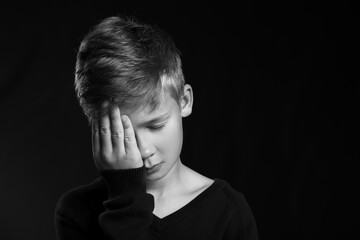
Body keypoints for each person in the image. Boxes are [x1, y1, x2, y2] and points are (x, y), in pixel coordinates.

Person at [55, 15, 258, 240]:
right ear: (99, 128)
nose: (143, 151)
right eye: (124, 134)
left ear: (184, 101)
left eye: (156, 126)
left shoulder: (227, 212)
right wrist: (125, 202)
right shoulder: (77, 212)